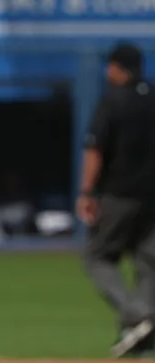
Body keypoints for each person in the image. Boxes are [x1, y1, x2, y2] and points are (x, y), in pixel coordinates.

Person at [77, 42, 155, 358]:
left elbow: (95, 148)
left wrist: (86, 192)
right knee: (149, 261)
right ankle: (143, 331)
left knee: (97, 256)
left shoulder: (114, 100)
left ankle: (137, 316)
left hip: (120, 193)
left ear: (117, 68)